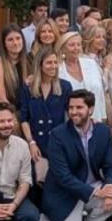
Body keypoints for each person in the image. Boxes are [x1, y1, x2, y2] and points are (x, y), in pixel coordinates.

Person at [36, 90, 112, 221]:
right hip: (65, 194)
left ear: (91, 109)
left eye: (79, 107)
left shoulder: (103, 131)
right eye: (70, 108)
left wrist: (110, 187)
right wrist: (96, 193)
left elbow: (111, 166)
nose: (73, 112)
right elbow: (63, 177)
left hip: (91, 187)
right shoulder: (57, 135)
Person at [18, 47, 73, 180]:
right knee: (37, 180)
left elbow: (71, 114)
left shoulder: (65, 86)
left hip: (57, 142)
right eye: (49, 63)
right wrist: (31, 142)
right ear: (40, 64)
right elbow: (24, 118)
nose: (53, 66)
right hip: (36, 142)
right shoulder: (28, 87)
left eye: (55, 62)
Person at [58, 31, 107, 123]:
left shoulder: (91, 64)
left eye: (78, 45)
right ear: (63, 48)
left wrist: (103, 116)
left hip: (95, 119)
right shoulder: (58, 69)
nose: (76, 48)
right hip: (70, 121)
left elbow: (101, 93)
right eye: (72, 45)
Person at [0, 24, 31, 109]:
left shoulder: (29, 60)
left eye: (18, 38)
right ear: (4, 44)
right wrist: (13, 114)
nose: (15, 43)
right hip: (9, 110)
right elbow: (1, 98)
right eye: (10, 40)